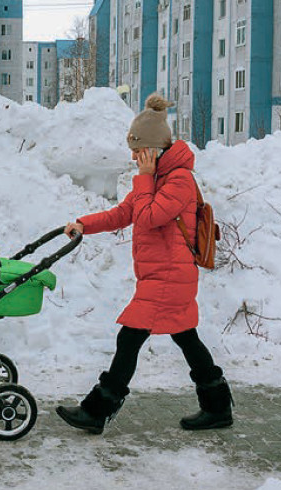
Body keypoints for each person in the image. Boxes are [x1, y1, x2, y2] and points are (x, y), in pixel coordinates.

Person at [56, 93, 233, 434]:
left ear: (153, 149)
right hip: (164, 275)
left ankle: (97, 411)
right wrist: (83, 224)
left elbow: (150, 217)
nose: (134, 157)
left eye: (138, 151)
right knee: (186, 338)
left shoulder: (178, 180)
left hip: (168, 277)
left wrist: (146, 177)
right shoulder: (157, 179)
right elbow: (124, 213)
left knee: (130, 338)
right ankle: (217, 406)